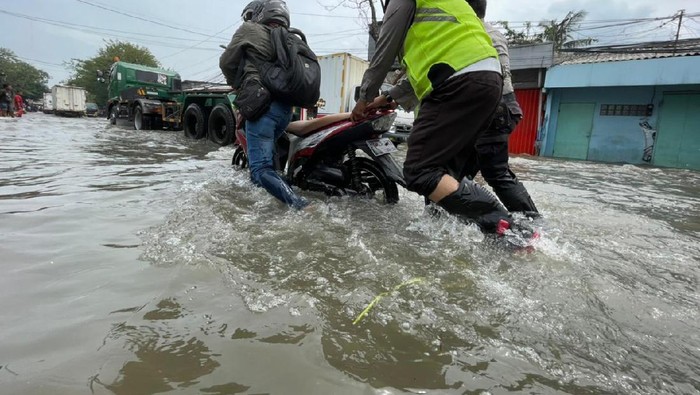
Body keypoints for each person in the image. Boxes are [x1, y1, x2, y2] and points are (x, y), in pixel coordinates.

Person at [351, 0, 518, 235]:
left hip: (457, 81)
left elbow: (384, 51)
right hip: (487, 81)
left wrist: (364, 98)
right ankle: (461, 233)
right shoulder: (448, 13)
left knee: (419, 170)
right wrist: (385, 99)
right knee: (446, 175)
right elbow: (424, 73)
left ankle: (505, 226)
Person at [220, 0, 309, 210]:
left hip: (261, 107)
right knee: (266, 161)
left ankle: (301, 206)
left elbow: (226, 62)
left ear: (259, 13)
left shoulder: (250, 29)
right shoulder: (290, 39)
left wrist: (235, 83)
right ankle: (264, 197)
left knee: (260, 168)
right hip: (286, 111)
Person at [461, 0, 538, 214]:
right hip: (501, 107)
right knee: (460, 173)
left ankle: (533, 223)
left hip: (491, 108)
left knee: (495, 173)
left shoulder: (470, 32)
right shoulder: (493, 32)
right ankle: (470, 219)